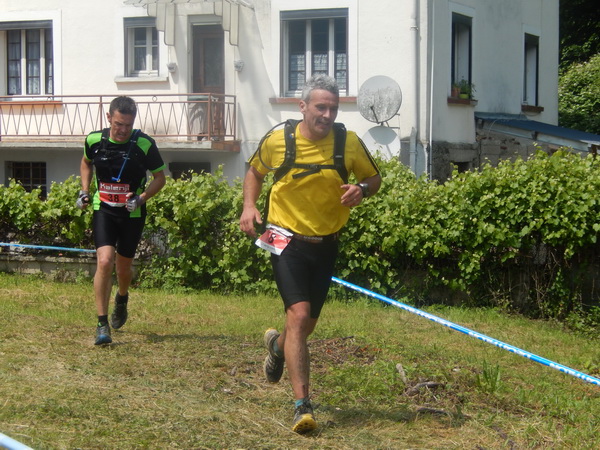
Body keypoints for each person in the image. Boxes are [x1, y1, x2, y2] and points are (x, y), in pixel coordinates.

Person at [239, 74, 382, 433]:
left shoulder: (347, 142)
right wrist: (248, 206)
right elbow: (255, 171)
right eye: (321, 107)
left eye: (333, 108)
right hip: (283, 236)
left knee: (305, 325)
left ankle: (276, 348)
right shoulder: (279, 139)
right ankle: (302, 405)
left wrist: (362, 189)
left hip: (326, 242)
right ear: (303, 107)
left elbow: (374, 179)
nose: (328, 114)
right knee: (299, 316)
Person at [77, 96, 166, 346]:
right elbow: (85, 162)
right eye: (118, 124)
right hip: (104, 208)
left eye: (128, 125)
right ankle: (102, 324)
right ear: (109, 118)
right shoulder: (95, 140)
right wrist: (85, 190)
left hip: (132, 213)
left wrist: (142, 197)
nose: (123, 130)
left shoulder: (145, 144)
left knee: (123, 268)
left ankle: (122, 297)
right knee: (104, 261)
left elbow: (160, 177)